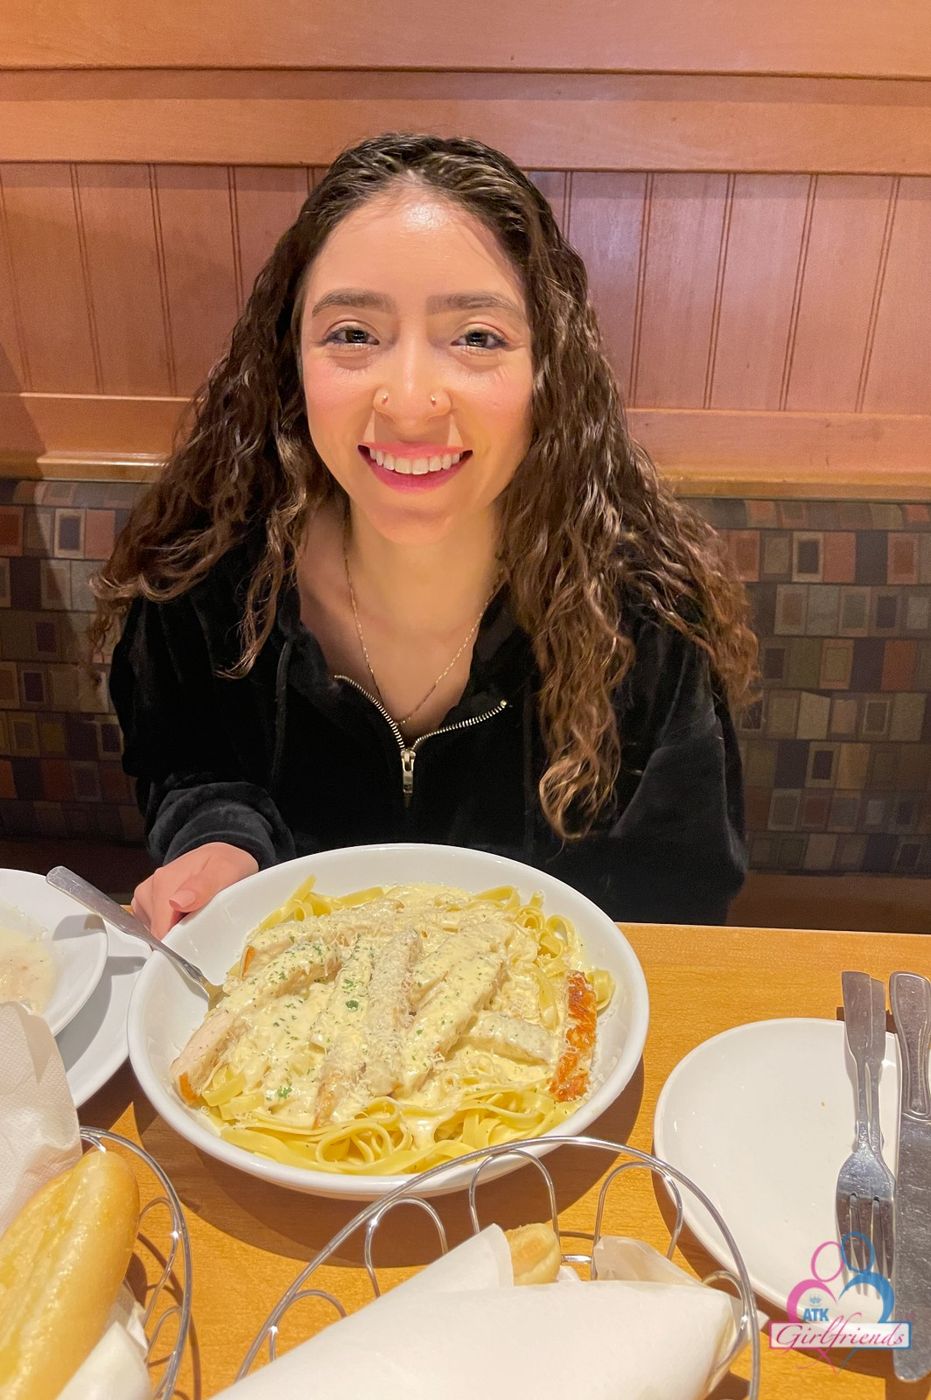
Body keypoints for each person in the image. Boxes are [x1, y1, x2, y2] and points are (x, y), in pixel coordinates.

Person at [91, 131, 758, 941]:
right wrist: (219, 843)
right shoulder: (204, 576)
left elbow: (677, 893)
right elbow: (189, 768)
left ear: (548, 371)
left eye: (476, 337)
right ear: (289, 362)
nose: (409, 402)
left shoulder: (643, 613)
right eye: (352, 334)